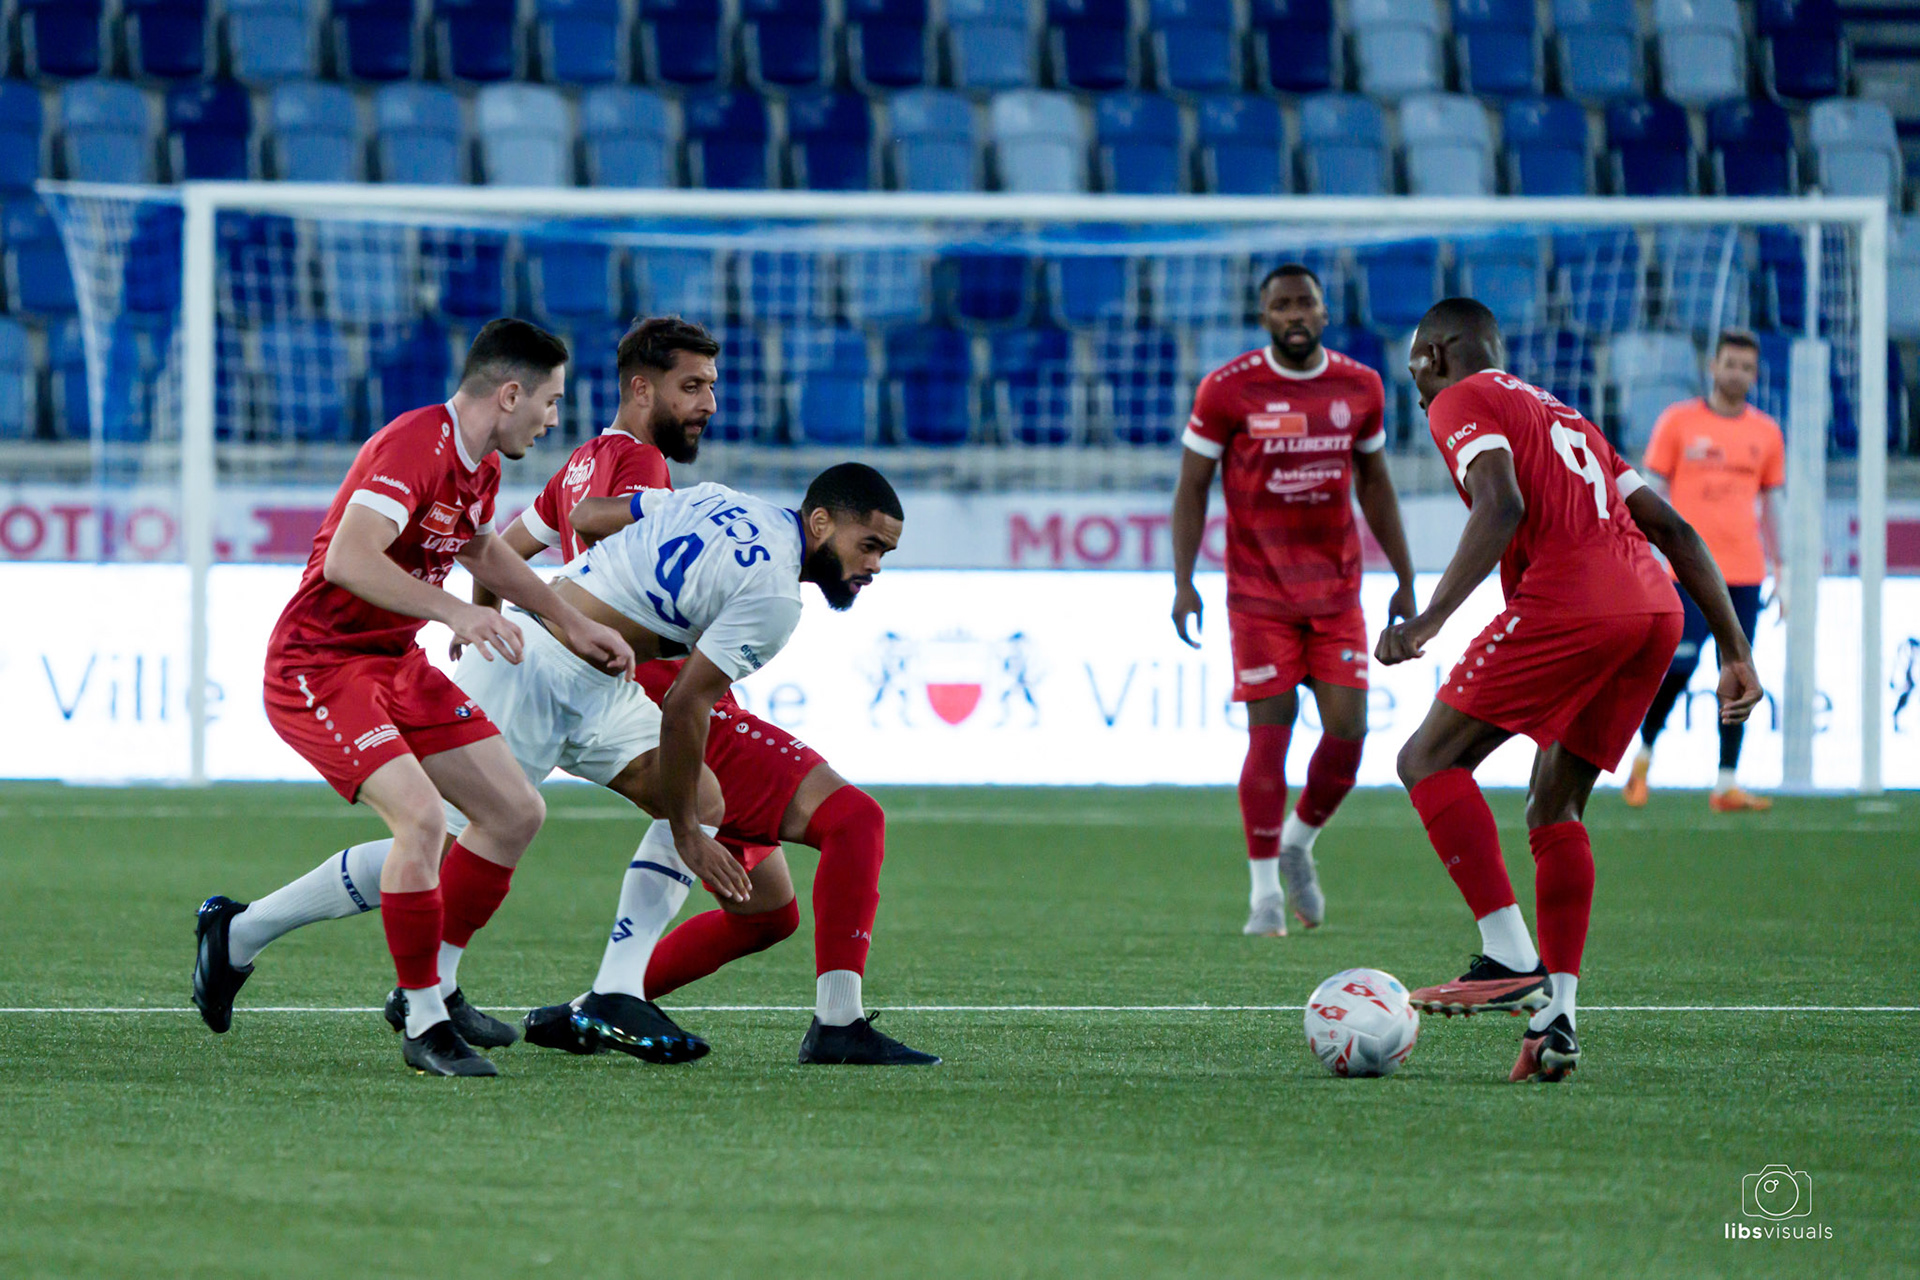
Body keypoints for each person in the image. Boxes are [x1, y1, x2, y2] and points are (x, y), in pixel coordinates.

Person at [197, 321, 931, 1065]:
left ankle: (610, 990)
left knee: (689, 801)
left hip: (589, 666)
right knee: (439, 839)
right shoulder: (648, 472)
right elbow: (679, 681)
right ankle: (282, 945)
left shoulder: (599, 470)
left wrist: (512, 613)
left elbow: (524, 539)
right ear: (641, 389)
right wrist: (472, 617)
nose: (709, 403)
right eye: (693, 386)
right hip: (540, 668)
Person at [191, 319, 637, 1078]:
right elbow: (348, 559)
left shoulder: (478, 465)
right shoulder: (415, 444)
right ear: (510, 393)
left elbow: (481, 547)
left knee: (514, 812)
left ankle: (247, 940)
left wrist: (569, 621)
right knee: (422, 820)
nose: (553, 419)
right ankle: (424, 1019)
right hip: (319, 666)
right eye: (551, 402)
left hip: (394, 663)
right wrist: (456, 612)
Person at [1377, 298, 1761, 1083]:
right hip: (1654, 611)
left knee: (1427, 760)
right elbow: (1675, 530)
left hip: (1574, 600)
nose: (1413, 385)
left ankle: (1508, 954)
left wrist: (1427, 622)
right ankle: (1557, 1019)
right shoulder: (1565, 416)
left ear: (1438, 353)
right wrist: (1735, 649)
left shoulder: (1461, 398)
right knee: (1555, 807)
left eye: (1416, 362)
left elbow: (1502, 504)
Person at [1170, 263, 1417, 937]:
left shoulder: (1360, 385)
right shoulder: (1227, 388)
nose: (1294, 314)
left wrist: (1404, 574)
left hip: (1336, 592)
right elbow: (1192, 486)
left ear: (1324, 311)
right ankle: (1264, 898)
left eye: (1305, 302)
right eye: (1281, 305)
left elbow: (1375, 482)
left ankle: (1297, 842)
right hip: (1258, 594)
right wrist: (1184, 580)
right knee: (1269, 736)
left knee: (1349, 732)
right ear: (1265, 318)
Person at [1623, 329, 1785, 812]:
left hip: (1745, 574)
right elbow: (1649, 493)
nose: (1737, 373)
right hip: (1687, 573)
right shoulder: (1678, 423)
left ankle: (1726, 782)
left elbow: (1773, 506)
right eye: (1730, 363)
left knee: (1738, 672)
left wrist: (1784, 571)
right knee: (1678, 666)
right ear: (1712, 367)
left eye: (1746, 367)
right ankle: (1643, 757)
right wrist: (1647, 559)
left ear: (1755, 375)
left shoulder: (1767, 433)